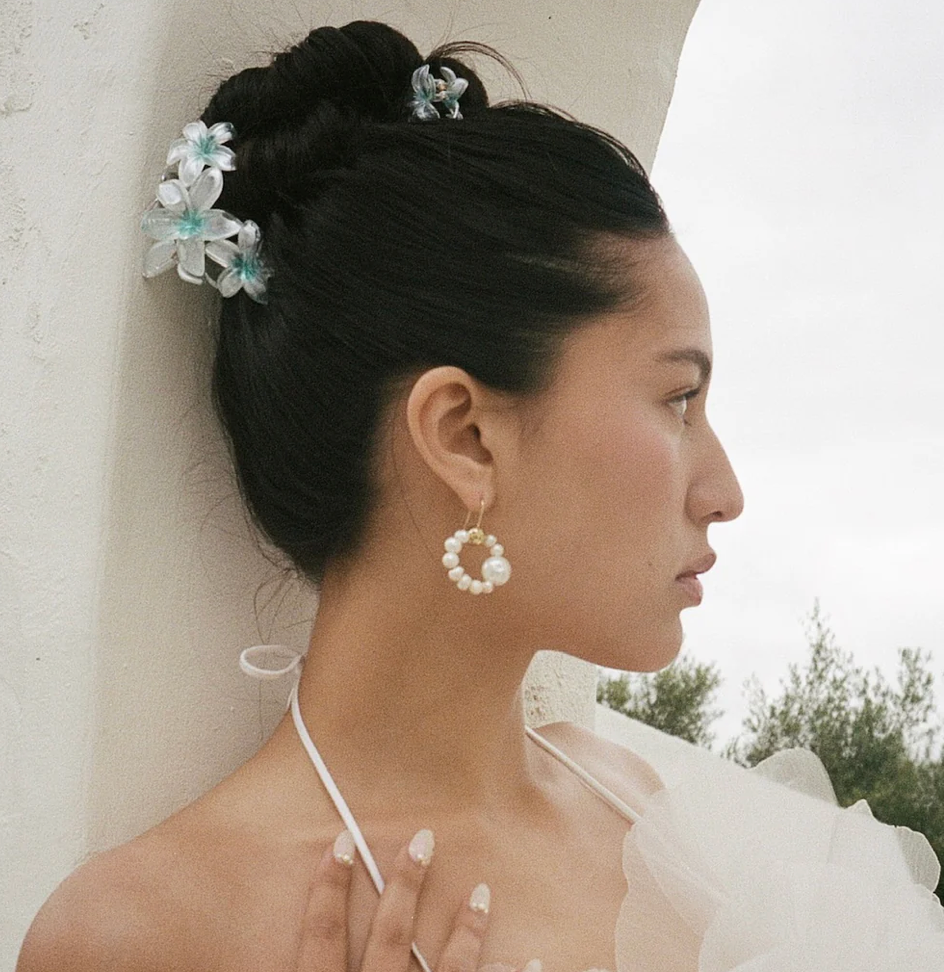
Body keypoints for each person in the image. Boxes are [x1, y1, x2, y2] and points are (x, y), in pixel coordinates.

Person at [16, 19, 944, 972]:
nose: (725, 492)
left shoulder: (681, 839)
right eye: (678, 400)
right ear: (464, 436)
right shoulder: (146, 935)